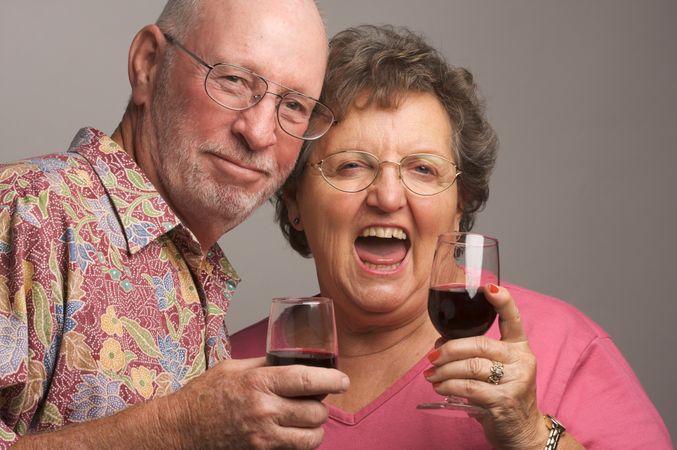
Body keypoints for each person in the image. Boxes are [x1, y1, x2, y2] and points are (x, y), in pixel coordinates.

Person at [230, 24, 673, 449]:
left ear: (461, 203)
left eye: (422, 169)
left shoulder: (565, 348)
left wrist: (532, 435)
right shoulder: (229, 373)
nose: (387, 196)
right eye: (351, 165)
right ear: (293, 200)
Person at [0, 0, 350, 448]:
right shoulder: (24, 212)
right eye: (234, 80)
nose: (260, 133)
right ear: (148, 64)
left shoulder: (195, 266)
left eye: (295, 106)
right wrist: (178, 426)